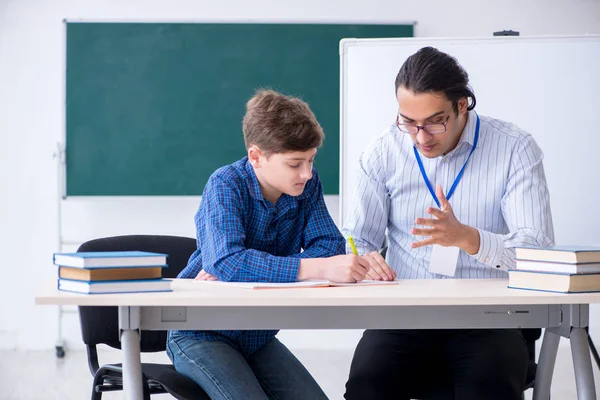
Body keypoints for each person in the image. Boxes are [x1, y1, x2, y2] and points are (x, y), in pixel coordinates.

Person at [343, 47, 554, 400]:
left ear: (462, 106)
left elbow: (538, 250)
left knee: (489, 387)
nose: (421, 137)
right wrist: (365, 258)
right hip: (404, 317)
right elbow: (356, 237)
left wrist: (470, 239)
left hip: (489, 317)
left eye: (435, 122)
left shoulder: (515, 148)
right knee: (367, 385)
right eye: (409, 122)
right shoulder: (384, 150)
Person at [167, 89, 369, 400]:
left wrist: (248, 270)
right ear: (256, 157)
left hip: (256, 335)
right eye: (295, 164)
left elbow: (329, 244)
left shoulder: (307, 187)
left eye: (311, 160)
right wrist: (314, 268)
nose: (307, 173)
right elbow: (228, 262)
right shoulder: (225, 185)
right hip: (201, 333)